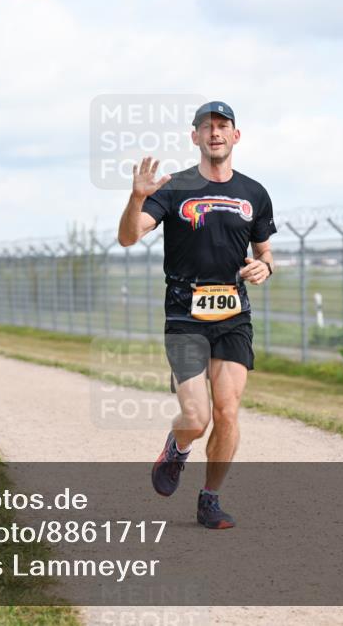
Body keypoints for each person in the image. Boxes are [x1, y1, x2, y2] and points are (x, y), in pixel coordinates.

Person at [117, 101, 276, 529]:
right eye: (206, 126)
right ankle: (177, 448)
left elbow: (263, 248)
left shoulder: (254, 193)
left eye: (223, 126)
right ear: (195, 137)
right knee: (196, 417)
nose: (215, 132)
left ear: (235, 136)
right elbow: (129, 237)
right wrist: (137, 198)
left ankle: (210, 498)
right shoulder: (173, 188)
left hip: (233, 316)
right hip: (185, 316)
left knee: (227, 412)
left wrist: (266, 265)